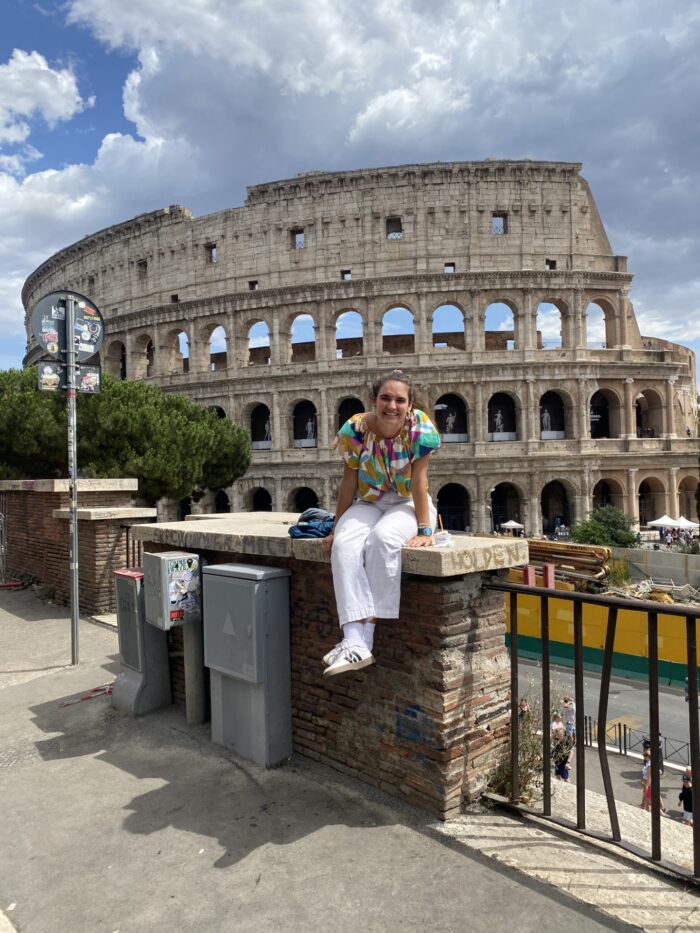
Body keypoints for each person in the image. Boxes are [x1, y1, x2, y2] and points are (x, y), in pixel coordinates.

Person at [321, 370, 441, 676]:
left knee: (382, 540)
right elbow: (348, 482)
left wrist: (427, 529)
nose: (392, 405)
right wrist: (337, 526)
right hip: (369, 501)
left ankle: (366, 637)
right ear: (373, 400)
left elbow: (419, 481)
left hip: (409, 503)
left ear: (409, 405)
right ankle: (352, 638)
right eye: (385, 398)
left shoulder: (420, 428)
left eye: (400, 400)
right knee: (345, 544)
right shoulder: (355, 429)